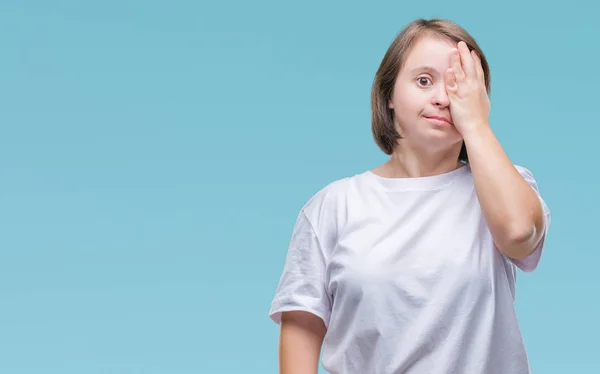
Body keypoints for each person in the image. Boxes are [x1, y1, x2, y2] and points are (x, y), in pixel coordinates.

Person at [268, 18, 551, 374]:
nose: (441, 98)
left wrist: (476, 124)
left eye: (457, 86)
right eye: (423, 80)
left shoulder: (505, 187)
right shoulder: (332, 207)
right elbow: (301, 333)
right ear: (389, 95)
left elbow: (519, 232)